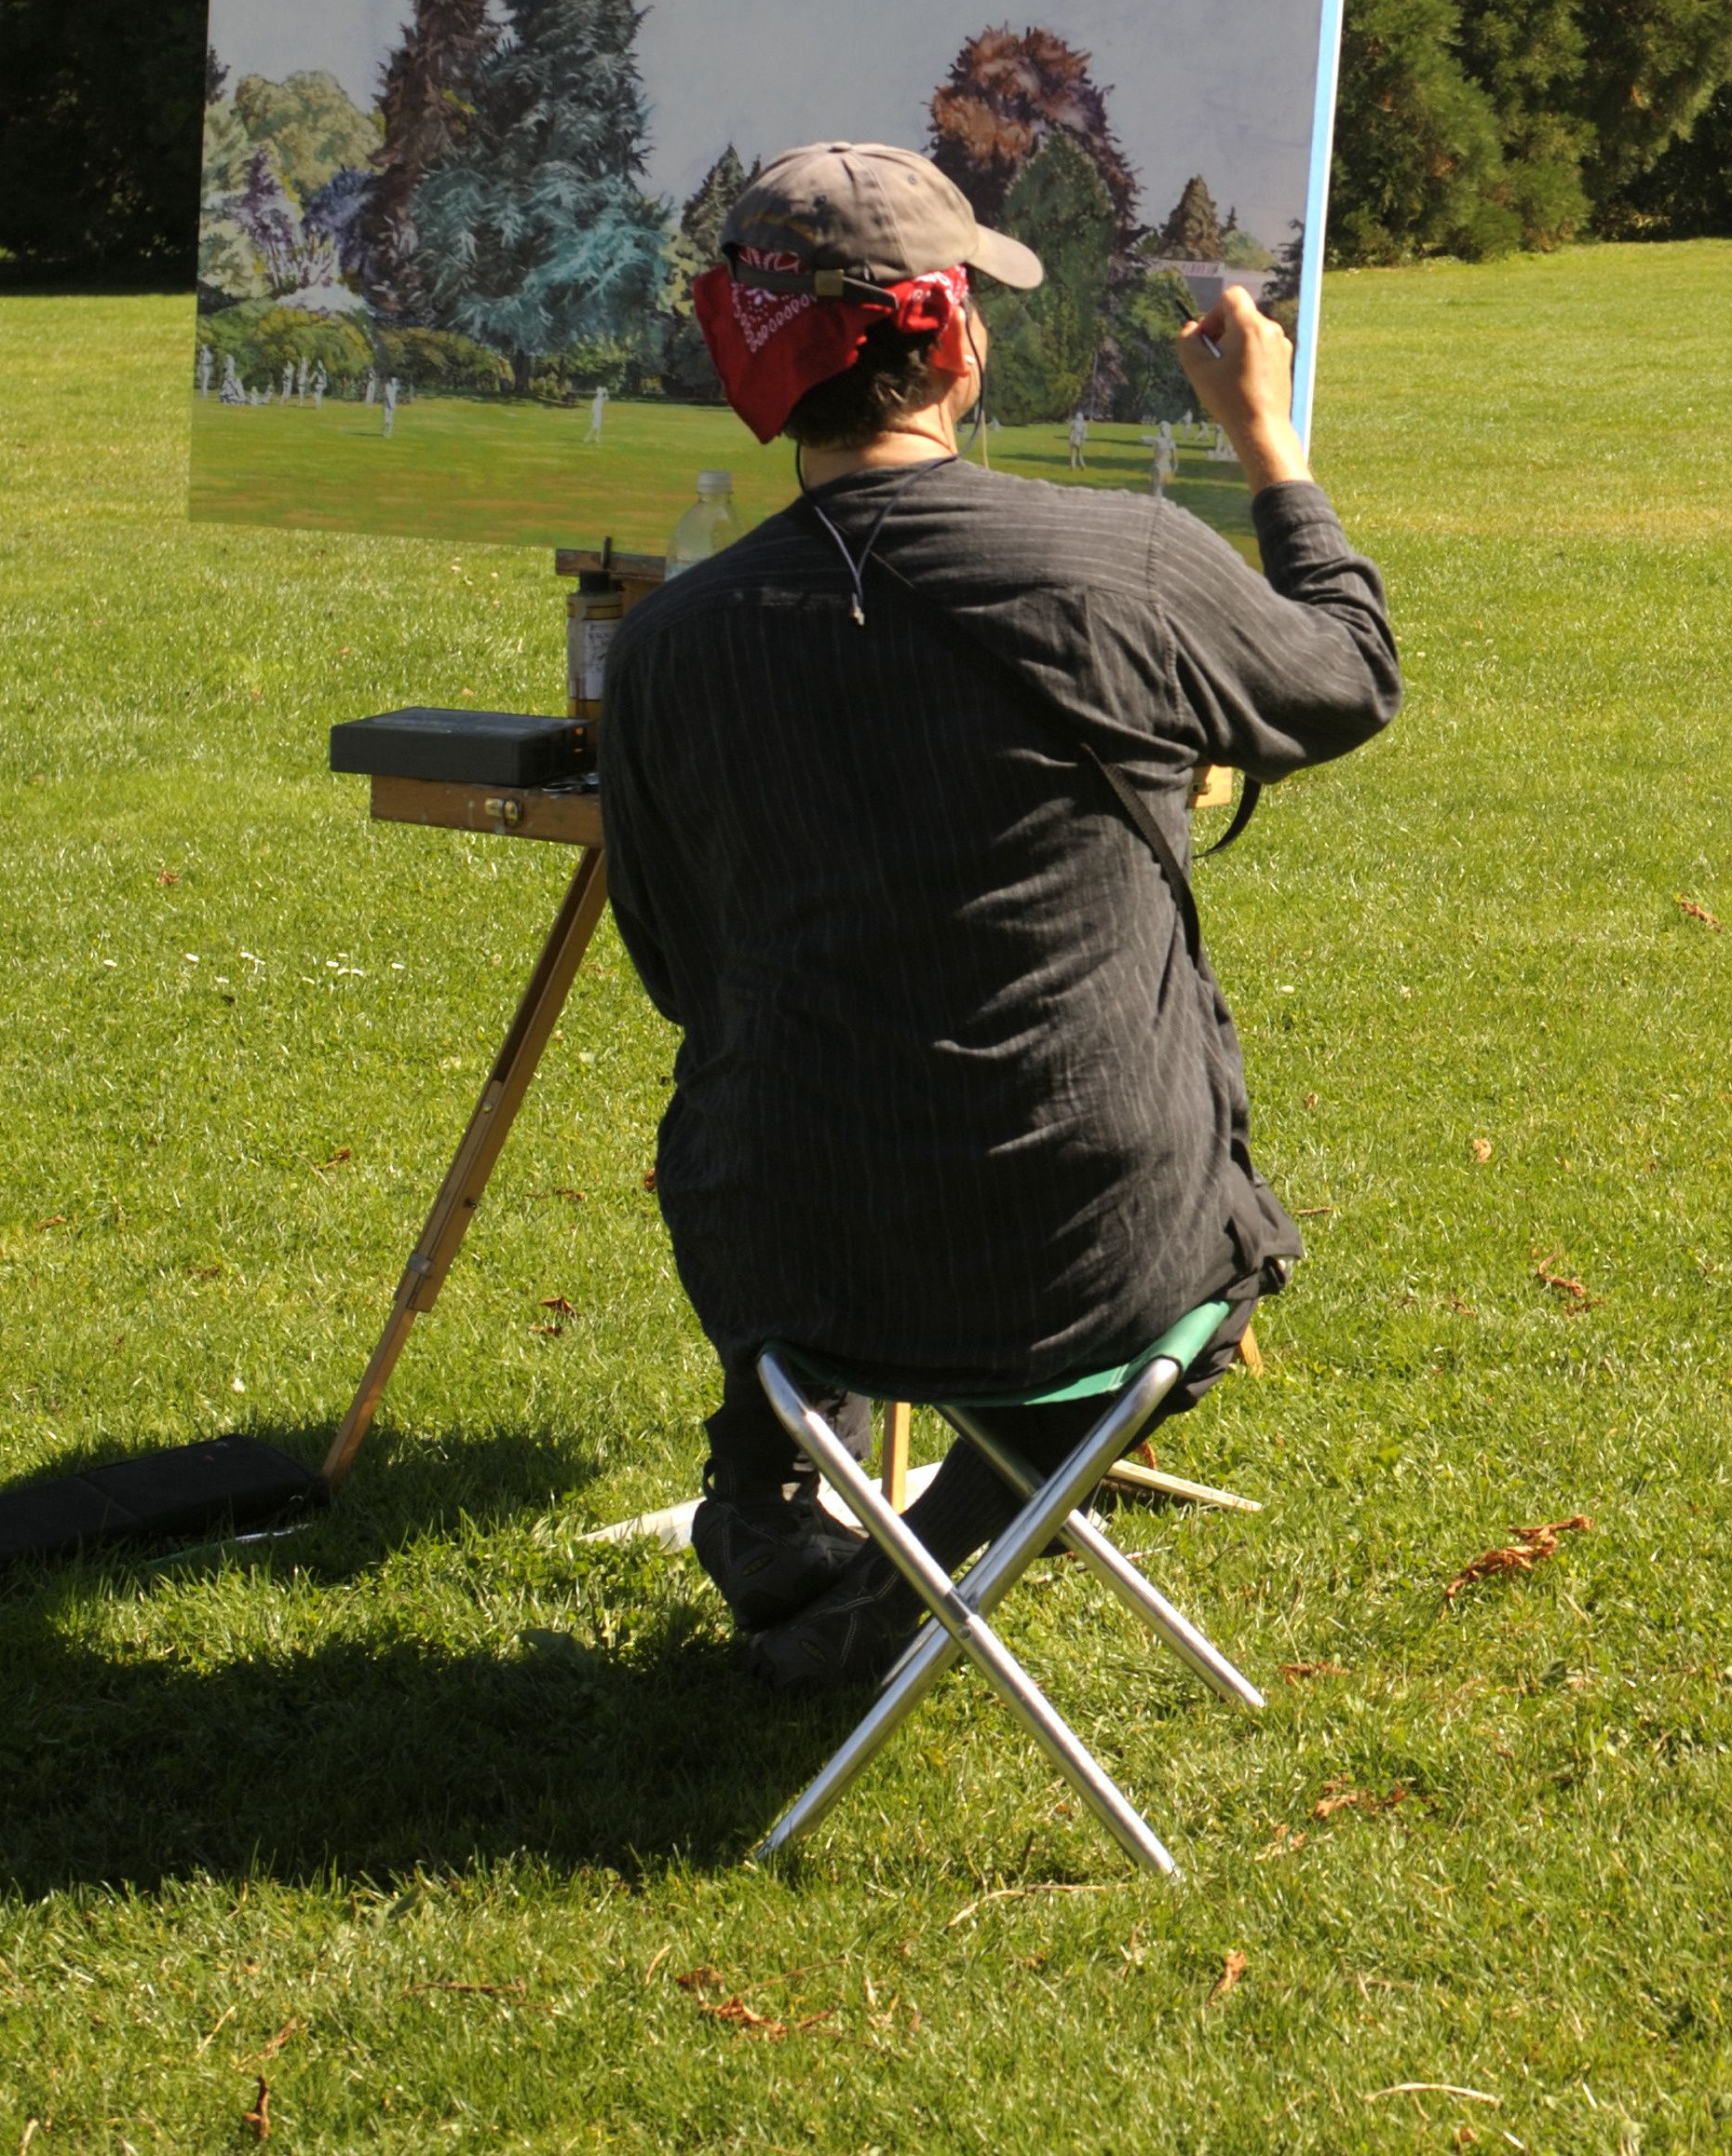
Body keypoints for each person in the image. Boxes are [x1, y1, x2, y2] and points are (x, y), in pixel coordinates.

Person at [596, 142, 1400, 1687]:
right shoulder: (1132, 567)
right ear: (955, 339)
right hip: (1090, 1255)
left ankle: (775, 1502)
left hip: (788, 1270)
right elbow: (1347, 675)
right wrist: (1270, 446)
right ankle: (915, 1586)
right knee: (1183, 1288)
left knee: (781, 1119)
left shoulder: (670, 648)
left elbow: (679, 969)